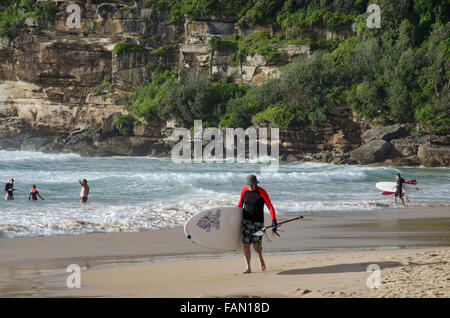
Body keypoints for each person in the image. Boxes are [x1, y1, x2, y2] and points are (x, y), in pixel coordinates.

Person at [237, 174, 277, 274]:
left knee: (256, 246)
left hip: (258, 223)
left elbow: (270, 206)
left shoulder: (262, 192)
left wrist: (274, 220)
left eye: (253, 185)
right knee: (246, 245)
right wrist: (235, 220)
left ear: (256, 184)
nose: (251, 187)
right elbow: (239, 206)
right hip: (246, 222)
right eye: (249, 185)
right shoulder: (244, 191)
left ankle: (260, 258)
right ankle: (248, 267)